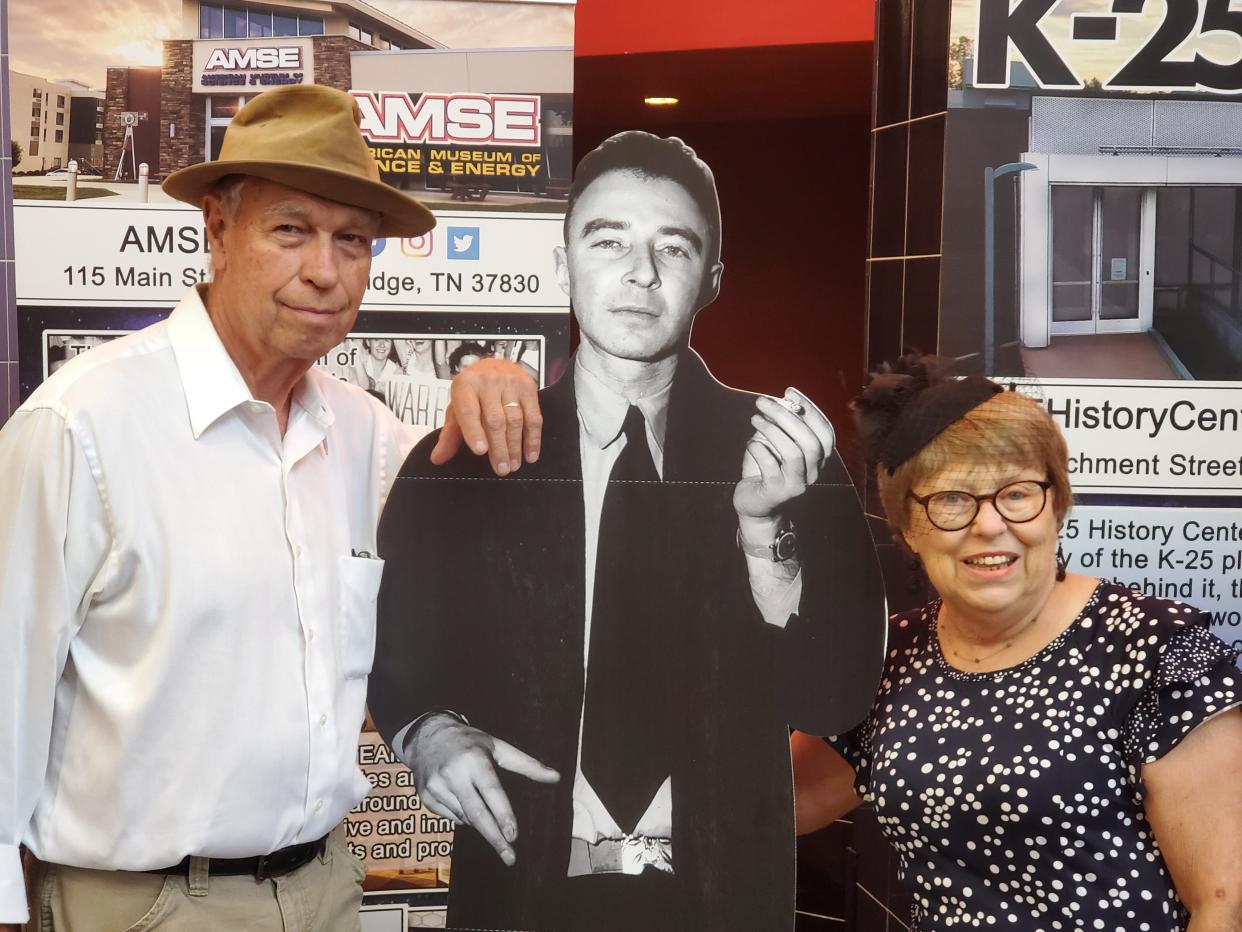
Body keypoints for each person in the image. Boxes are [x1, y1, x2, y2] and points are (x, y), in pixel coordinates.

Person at [0, 84, 541, 931]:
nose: (325, 270)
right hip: (143, 906)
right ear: (217, 228)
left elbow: (499, 531)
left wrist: (495, 384)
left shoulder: (364, 433)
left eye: (352, 241)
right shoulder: (82, 426)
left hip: (324, 891)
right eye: (291, 230)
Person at [368, 131, 887, 932]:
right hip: (520, 887)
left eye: (672, 248)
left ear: (711, 278)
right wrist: (428, 731)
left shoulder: (788, 457)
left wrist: (765, 535)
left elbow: (834, 697)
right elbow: (396, 652)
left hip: (724, 900)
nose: (639, 274)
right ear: (562, 259)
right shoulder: (475, 455)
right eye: (607, 241)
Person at [792, 355, 1242, 931]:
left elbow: (1222, 904)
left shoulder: (1158, 650)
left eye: (1017, 492)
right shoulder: (889, 654)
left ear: (1056, 505)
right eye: (951, 499)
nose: (988, 524)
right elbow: (789, 807)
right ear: (906, 527)